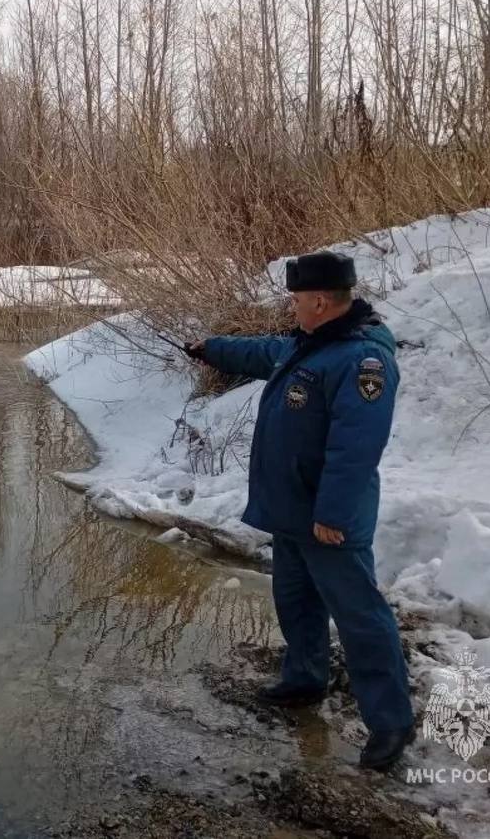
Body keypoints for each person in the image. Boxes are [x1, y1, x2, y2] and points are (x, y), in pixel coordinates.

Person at [184, 251, 414, 771]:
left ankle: (392, 720)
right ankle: (305, 678)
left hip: (327, 519)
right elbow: (264, 351)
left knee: (361, 618)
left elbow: (356, 448)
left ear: (318, 300)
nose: (291, 309)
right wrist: (211, 349)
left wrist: (332, 514)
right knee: (296, 600)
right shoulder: (312, 345)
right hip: (290, 511)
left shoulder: (361, 362)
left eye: (295, 300)